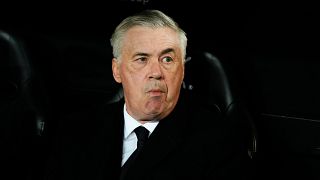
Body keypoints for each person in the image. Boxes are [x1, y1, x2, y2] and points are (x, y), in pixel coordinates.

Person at [45, 9, 254, 180]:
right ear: (117, 70)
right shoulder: (74, 130)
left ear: (182, 71)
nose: (156, 72)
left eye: (167, 60)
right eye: (142, 59)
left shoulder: (220, 142)